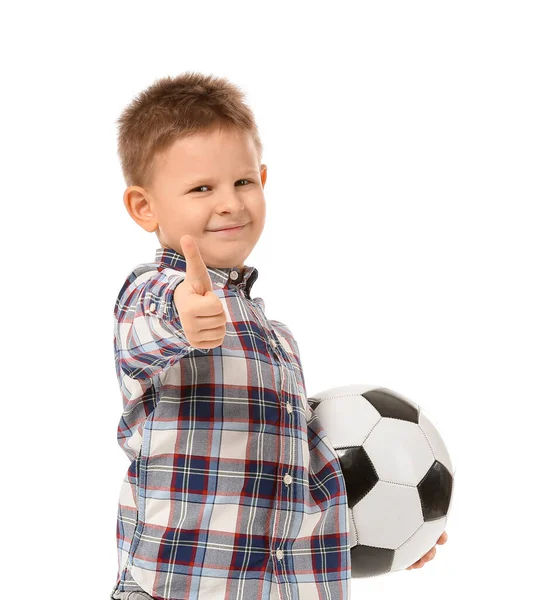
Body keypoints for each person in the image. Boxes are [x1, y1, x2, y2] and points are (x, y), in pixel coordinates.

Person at [109, 71, 446, 600]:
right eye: (201, 188)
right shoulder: (152, 293)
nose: (229, 202)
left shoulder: (277, 340)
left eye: (243, 181)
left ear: (263, 179)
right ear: (144, 206)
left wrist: (393, 530)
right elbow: (147, 330)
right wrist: (183, 316)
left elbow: (296, 477)